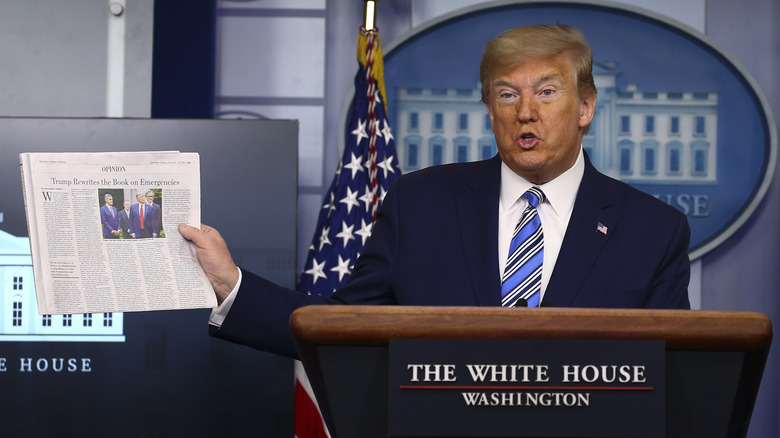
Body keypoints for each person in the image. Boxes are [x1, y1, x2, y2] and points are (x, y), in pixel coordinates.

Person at [179, 25, 691, 359]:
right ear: (490, 111)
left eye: (547, 92)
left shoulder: (652, 230)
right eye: (506, 94)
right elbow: (339, 327)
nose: (526, 112)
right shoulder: (420, 204)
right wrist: (231, 283)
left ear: (585, 108)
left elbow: (681, 376)